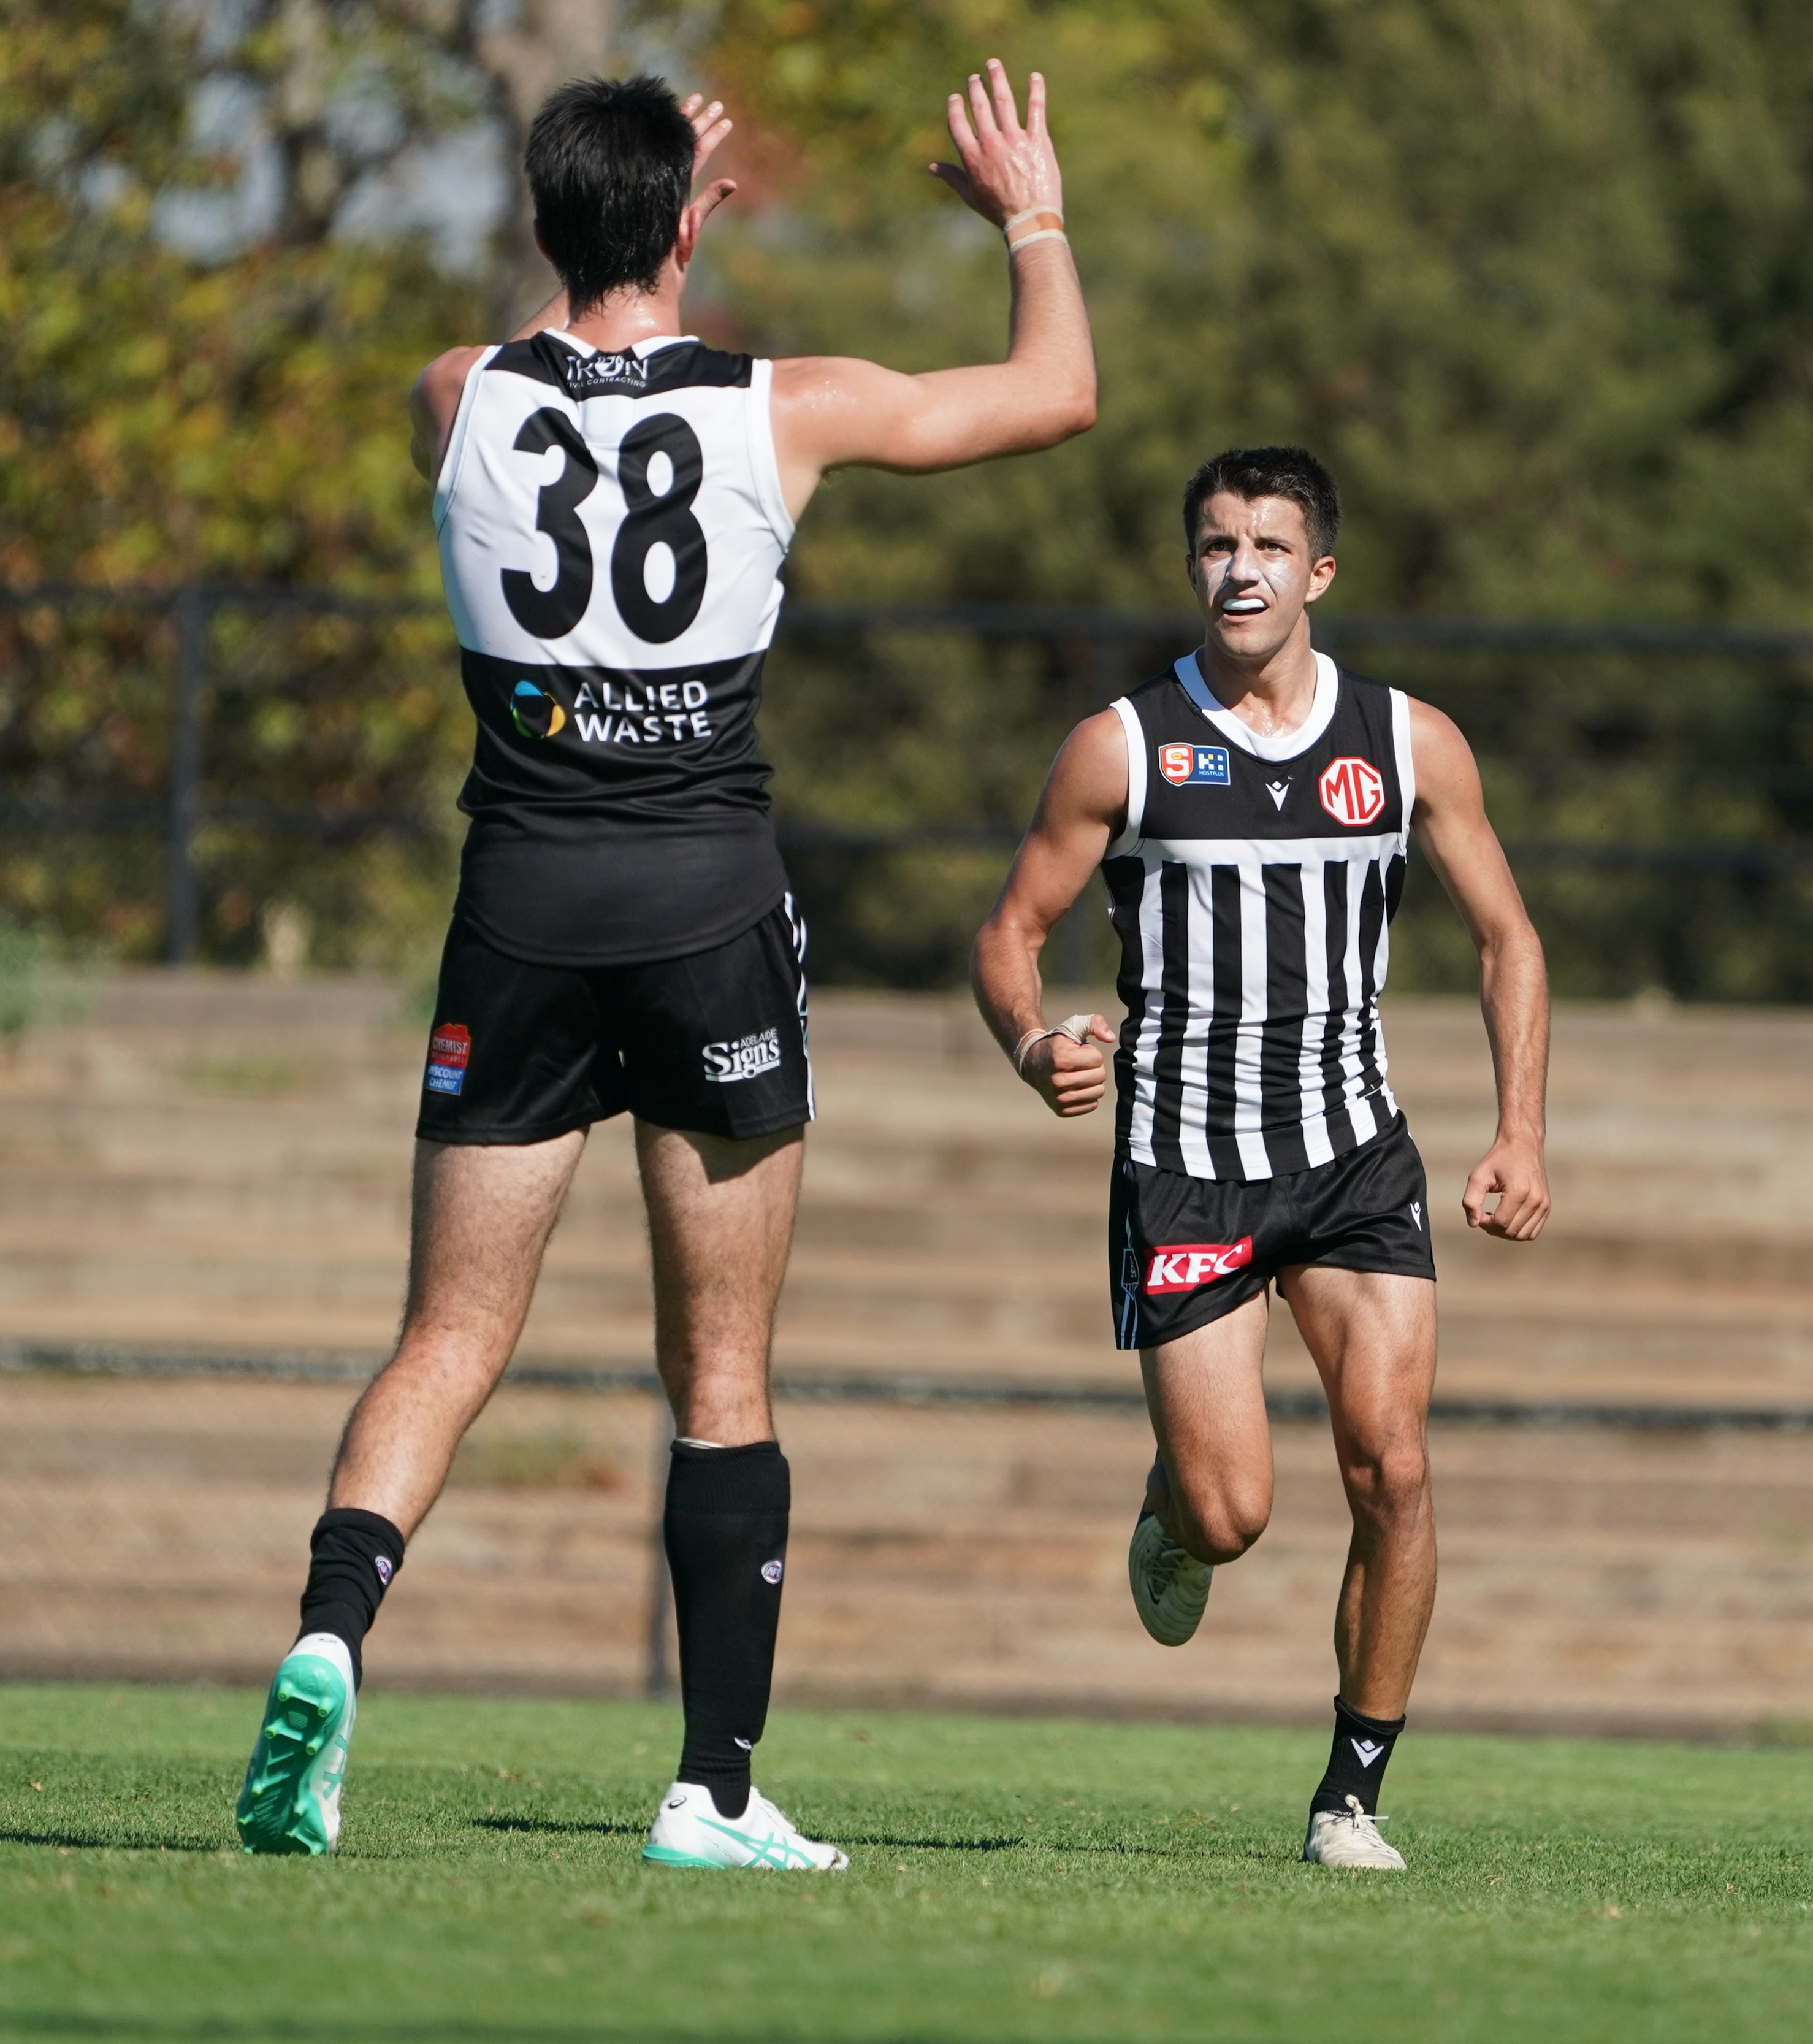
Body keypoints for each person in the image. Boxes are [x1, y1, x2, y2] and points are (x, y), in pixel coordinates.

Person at [235, 63, 1096, 1870]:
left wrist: (625, 215)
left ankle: (330, 1629)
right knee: (722, 1375)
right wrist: (1028, 212)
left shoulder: (453, 396)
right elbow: (1054, 395)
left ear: (551, 227)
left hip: (521, 906)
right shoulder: (781, 408)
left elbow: (544, 351)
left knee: (451, 1334)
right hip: (705, 908)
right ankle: (712, 1787)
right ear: (698, 225)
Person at [970, 445, 1549, 1870]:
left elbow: (1506, 937)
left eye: (1271, 546)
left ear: (1320, 572)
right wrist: (1038, 1044)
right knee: (1233, 1513)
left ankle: (1350, 1792)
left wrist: (1519, 1127)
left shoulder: (1410, 742)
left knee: (1395, 1469)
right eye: (1218, 545)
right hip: (1187, 1163)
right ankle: (1173, 1510)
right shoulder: (1122, 743)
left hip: (1353, 1152)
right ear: (1194, 568)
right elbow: (1006, 938)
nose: (1242, 568)